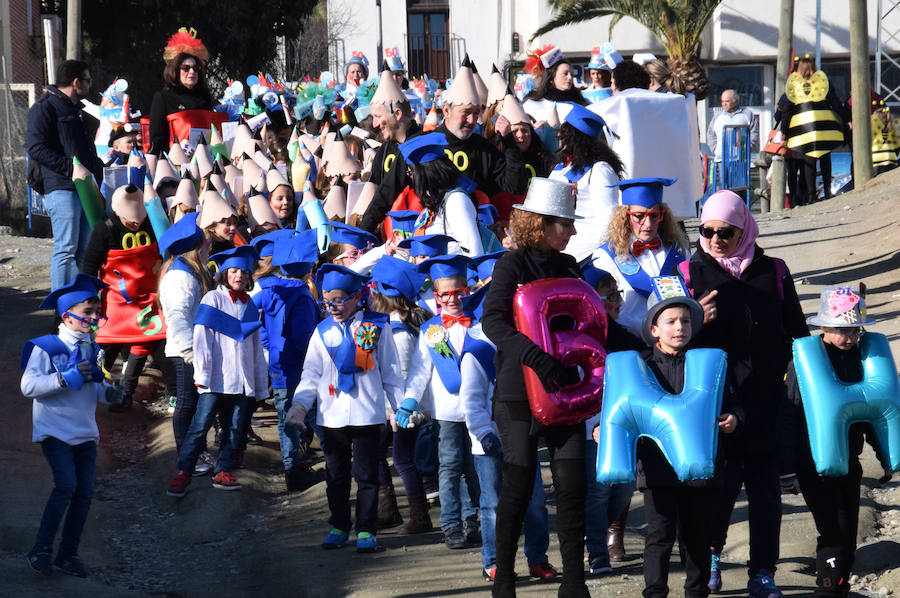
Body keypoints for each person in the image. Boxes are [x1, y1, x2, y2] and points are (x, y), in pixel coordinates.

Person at [679, 190, 809, 597]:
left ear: (745, 229)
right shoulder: (688, 272)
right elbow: (667, 339)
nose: (716, 240)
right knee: (718, 492)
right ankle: (713, 555)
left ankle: (763, 572)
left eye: (727, 233)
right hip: (714, 403)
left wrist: (801, 384)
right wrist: (695, 317)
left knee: (766, 495)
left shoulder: (774, 271)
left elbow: (798, 333)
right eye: (708, 231)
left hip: (766, 398)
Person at [482, 177, 591, 598]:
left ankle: (575, 582)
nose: (573, 231)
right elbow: (493, 321)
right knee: (519, 484)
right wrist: (537, 359)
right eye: (566, 223)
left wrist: (649, 344)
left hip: (565, 390)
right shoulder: (511, 264)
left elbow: (594, 325)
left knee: (572, 486)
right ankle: (505, 580)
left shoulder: (569, 266)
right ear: (541, 223)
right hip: (517, 391)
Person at [617, 279, 741, 598]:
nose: (679, 327)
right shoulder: (640, 368)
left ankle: (696, 591)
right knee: (659, 535)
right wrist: (603, 429)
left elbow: (730, 400)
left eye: (685, 321)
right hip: (657, 470)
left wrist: (734, 417)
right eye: (670, 321)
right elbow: (620, 410)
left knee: (697, 535)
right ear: (654, 329)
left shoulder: (708, 365)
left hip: (700, 469)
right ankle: (655, 591)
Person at [285, 264, 404, 553]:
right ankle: (338, 525)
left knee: (367, 475)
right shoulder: (322, 331)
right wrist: (299, 407)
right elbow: (311, 375)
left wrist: (396, 409)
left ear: (356, 297)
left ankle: (366, 529)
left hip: (368, 413)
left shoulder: (379, 326)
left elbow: (391, 372)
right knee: (336, 476)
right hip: (332, 416)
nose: (333, 307)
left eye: (339, 300)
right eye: (327, 301)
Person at [779, 286, 882, 597]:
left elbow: (872, 410)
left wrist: (884, 453)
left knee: (848, 533)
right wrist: (786, 467)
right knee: (833, 530)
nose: (849, 337)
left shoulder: (862, 360)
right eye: (841, 330)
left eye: (854, 330)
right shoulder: (805, 362)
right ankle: (827, 589)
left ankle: (839, 585)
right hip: (812, 462)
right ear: (823, 326)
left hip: (849, 459)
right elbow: (788, 415)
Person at [21, 274, 122, 577]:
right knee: (66, 486)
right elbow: (28, 387)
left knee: (84, 493)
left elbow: (94, 386)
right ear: (66, 316)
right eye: (87, 313)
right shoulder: (45, 347)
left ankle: (68, 555)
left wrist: (110, 393)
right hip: (54, 430)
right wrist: (65, 378)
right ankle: (40, 550)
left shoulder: (93, 348)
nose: (93, 319)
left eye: (96, 312)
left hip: (85, 434)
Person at [459, 316, 559, 583]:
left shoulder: (526, 343)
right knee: (492, 504)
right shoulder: (478, 351)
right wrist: (483, 433)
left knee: (536, 501)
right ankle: (494, 561)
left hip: (523, 437)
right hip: (489, 443)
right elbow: (470, 399)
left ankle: (537, 558)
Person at [166, 246, 269, 497]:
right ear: (224, 273)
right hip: (214, 380)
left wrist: (258, 384)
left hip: (241, 382)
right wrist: (202, 375)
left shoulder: (250, 306)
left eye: (244, 272)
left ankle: (222, 469)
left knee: (234, 428)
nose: (239, 276)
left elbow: (255, 349)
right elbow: (202, 341)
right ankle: (183, 472)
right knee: (199, 426)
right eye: (233, 271)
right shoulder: (212, 299)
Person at [402, 254, 483, 549]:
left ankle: (475, 519)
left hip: (478, 411)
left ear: (468, 291)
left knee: (476, 467)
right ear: (435, 296)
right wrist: (409, 401)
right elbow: (420, 370)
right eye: (444, 294)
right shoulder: (433, 331)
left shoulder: (480, 324)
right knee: (449, 467)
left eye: (457, 293)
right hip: (447, 413)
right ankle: (450, 524)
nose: (451, 299)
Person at [580, 263, 645, 574]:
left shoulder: (623, 336)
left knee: (624, 486)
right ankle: (596, 552)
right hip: (592, 427)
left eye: (617, 294)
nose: (618, 301)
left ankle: (592, 533)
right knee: (599, 490)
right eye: (608, 297)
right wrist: (592, 424)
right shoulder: (579, 337)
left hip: (623, 427)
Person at [81, 184, 170, 412]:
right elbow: (90, 265)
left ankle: (126, 392)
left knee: (144, 341)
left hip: (149, 295)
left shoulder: (152, 223)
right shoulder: (105, 229)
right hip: (116, 298)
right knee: (107, 343)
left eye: (140, 219)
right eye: (132, 221)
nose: (136, 223)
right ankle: (87, 390)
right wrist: (89, 299)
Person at [367, 255, 434, 533]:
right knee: (380, 453)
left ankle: (419, 517)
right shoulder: (404, 322)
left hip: (403, 410)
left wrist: (399, 409)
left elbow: (405, 374)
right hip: (395, 408)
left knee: (404, 460)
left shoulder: (399, 331)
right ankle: (388, 510)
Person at [26, 60, 105, 291]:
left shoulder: (75, 110)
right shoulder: (44, 108)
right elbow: (36, 148)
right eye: (88, 80)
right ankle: (61, 310)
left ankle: (78, 306)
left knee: (84, 250)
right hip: (62, 188)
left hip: (85, 189)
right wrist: (71, 168)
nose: (90, 85)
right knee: (66, 248)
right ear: (75, 82)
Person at [256, 230, 321, 491]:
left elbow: (261, 326)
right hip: (300, 368)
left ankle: (290, 465)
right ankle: (326, 461)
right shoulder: (303, 296)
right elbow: (304, 337)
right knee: (313, 414)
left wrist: (271, 347)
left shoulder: (272, 290)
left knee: (285, 419)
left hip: (278, 366)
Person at [591, 177, 692, 336]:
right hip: (629, 343)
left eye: (654, 215)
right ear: (625, 216)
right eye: (639, 216)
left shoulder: (680, 252)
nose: (648, 224)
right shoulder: (605, 257)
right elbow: (605, 310)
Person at [157, 213, 215, 475]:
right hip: (185, 351)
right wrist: (189, 351)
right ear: (196, 248)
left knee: (194, 403)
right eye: (206, 243)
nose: (209, 247)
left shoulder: (189, 273)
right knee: (187, 403)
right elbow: (178, 316)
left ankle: (196, 450)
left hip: (193, 348)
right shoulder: (181, 277)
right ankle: (187, 455)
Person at [437, 62, 528, 199]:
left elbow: (515, 187)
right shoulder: (426, 144)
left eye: (476, 113)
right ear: (446, 110)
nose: (472, 120)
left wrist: (510, 143)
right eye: (466, 112)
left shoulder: (485, 149)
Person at [549, 103, 625, 262]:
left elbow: (609, 219)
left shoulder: (599, 170)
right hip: (557, 252)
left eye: (563, 135)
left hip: (585, 255)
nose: (559, 139)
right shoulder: (560, 168)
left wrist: (600, 257)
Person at [773, 55, 847, 206]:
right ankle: (827, 191)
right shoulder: (822, 82)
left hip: (803, 128)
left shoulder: (794, 83)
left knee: (809, 162)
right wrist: (846, 119)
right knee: (825, 158)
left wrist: (784, 131)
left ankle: (811, 196)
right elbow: (835, 102)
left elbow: (786, 110)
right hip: (823, 126)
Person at [359, 66, 422, 234]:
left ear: (398, 113)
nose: (374, 124)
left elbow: (387, 191)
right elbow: (376, 194)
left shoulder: (422, 145)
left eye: (378, 117)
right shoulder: (384, 150)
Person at [400, 132, 485, 257]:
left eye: (410, 172)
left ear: (425, 172)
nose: (411, 178)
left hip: (456, 276)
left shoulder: (456, 201)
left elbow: (474, 253)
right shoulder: (437, 201)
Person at [148, 30, 214, 157]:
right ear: (175, 70)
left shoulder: (204, 98)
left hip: (204, 160)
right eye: (186, 68)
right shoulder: (162, 97)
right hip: (173, 163)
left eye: (195, 68)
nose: (192, 72)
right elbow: (156, 139)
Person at [523, 45, 588, 122]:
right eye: (565, 74)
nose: (570, 77)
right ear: (551, 78)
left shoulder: (581, 103)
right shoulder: (533, 103)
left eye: (572, 74)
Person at [707, 90, 759, 163]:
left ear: (735, 101)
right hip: (721, 160)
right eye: (722, 101)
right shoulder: (717, 116)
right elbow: (711, 135)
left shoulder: (747, 114)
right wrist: (715, 149)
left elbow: (754, 133)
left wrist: (748, 148)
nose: (724, 104)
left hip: (741, 160)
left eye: (727, 101)